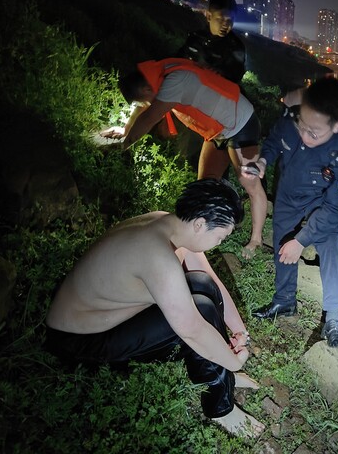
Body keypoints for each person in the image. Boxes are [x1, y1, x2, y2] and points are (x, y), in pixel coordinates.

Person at [45, 179, 265, 438]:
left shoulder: (169, 223)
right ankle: (220, 408)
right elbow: (192, 330)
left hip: (103, 317)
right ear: (200, 224)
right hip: (78, 341)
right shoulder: (158, 256)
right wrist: (233, 362)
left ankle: (222, 373)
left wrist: (240, 331)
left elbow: (211, 281)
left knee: (202, 284)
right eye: (220, 237)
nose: (219, 243)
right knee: (202, 310)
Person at [105, 57, 267, 261]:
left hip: (241, 124)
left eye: (143, 99)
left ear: (146, 88)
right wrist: (126, 131)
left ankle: (256, 240)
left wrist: (122, 147)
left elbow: (148, 117)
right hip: (217, 130)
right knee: (206, 183)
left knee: (250, 183)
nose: (146, 102)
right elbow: (144, 109)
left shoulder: (173, 81)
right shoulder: (159, 77)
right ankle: (206, 229)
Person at [246, 77, 338, 350]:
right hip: (289, 193)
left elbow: (335, 208)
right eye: (302, 125)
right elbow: (274, 141)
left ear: (336, 126)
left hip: (323, 200)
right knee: (282, 242)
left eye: (315, 133)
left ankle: (334, 318)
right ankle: (284, 301)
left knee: (331, 244)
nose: (305, 136)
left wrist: (301, 241)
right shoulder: (292, 118)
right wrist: (262, 161)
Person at [177, 0, 246, 84]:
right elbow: (178, 60)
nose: (225, 24)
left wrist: (219, 73)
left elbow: (236, 75)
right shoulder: (195, 38)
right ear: (209, 16)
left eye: (230, 20)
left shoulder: (235, 46)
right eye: (220, 19)